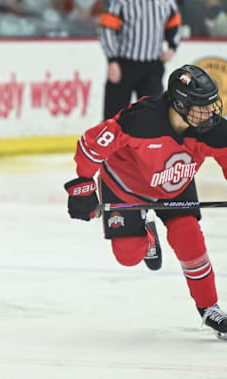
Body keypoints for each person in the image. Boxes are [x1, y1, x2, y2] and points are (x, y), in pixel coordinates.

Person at [64, 64, 227, 340]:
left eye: (211, 104)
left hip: (175, 184)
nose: (210, 113)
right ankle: (147, 236)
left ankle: (209, 308)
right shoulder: (141, 121)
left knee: (189, 238)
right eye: (201, 106)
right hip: (125, 187)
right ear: (179, 104)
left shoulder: (213, 130)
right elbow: (91, 144)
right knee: (128, 256)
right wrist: (82, 184)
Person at [98, 0, 181, 120]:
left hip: (152, 66)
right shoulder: (122, 2)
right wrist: (112, 60)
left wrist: (172, 46)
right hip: (125, 64)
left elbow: (175, 24)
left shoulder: (167, 2)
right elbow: (107, 28)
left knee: (152, 116)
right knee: (114, 115)